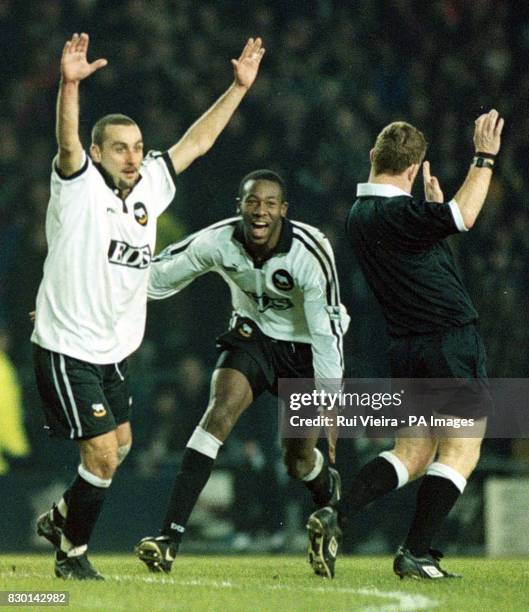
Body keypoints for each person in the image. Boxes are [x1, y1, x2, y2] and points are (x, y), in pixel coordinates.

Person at [32, 32, 265, 581]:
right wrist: (69, 85)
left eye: (138, 146)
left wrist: (237, 88)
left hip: (114, 350)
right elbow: (67, 142)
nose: (134, 156)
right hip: (67, 347)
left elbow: (196, 142)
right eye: (120, 147)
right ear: (97, 152)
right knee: (103, 458)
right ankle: (71, 556)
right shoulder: (78, 185)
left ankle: (62, 515)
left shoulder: (149, 189)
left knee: (124, 443)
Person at [307, 110, 504, 579]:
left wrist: (435, 215)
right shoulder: (399, 213)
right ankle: (416, 551)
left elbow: (430, 245)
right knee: (461, 450)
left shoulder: (361, 214)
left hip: (407, 347)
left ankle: (338, 515)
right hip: (449, 343)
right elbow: (466, 214)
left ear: (373, 156)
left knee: (413, 452)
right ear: (414, 169)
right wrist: (484, 157)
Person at [134, 169, 350, 573]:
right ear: (239, 206)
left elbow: (326, 331)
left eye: (270, 204)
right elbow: (159, 274)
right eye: (252, 202)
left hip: (304, 352)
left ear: (283, 211)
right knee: (218, 413)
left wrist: (329, 398)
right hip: (253, 339)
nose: (259, 212)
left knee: (298, 460)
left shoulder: (311, 251)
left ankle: (328, 498)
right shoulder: (219, 240)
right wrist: (92, 292)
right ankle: (169, 538)